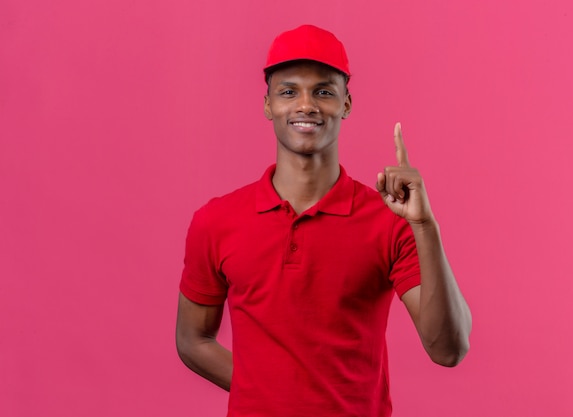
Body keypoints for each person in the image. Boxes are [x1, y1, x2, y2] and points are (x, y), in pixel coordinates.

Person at [176, 24, 472, 417]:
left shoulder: (389, 220)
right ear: (267, 105)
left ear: (346, 104)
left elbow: (448, 348)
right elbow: (192, 339)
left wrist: (424, 227)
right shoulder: (216, 221)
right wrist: (272, 395)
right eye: (288, 91)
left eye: (324, 91)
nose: (306, 105)